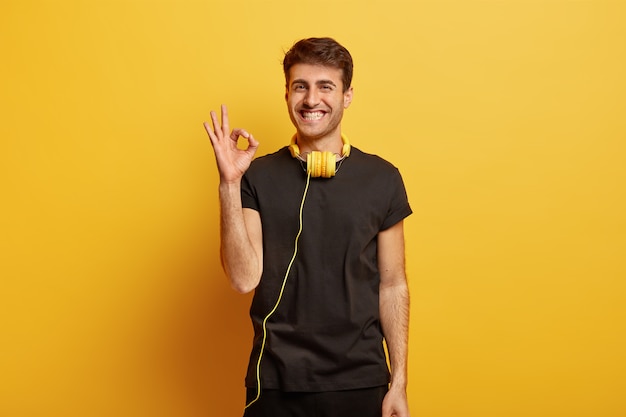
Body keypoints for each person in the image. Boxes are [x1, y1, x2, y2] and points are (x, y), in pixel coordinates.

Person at [204, 37, 412, 417]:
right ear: (287, 94)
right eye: (301, 86)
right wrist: (229, 183)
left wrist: (398, 381)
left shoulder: (382, 178)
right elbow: (242, 279)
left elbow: (393, 283)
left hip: (361, 382)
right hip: (276, 383)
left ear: (347, 96)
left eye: (325, 87)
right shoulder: (257, 176)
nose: (311, 99)